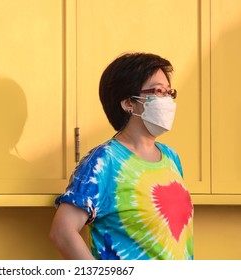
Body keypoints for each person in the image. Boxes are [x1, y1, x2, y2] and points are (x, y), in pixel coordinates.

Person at [49, 52, 194, 260]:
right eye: (159, 91)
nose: (167, 100)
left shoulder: (171, 158)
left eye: (170, 93)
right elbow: (62, 233)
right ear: (128, 103)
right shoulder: (102, 162)